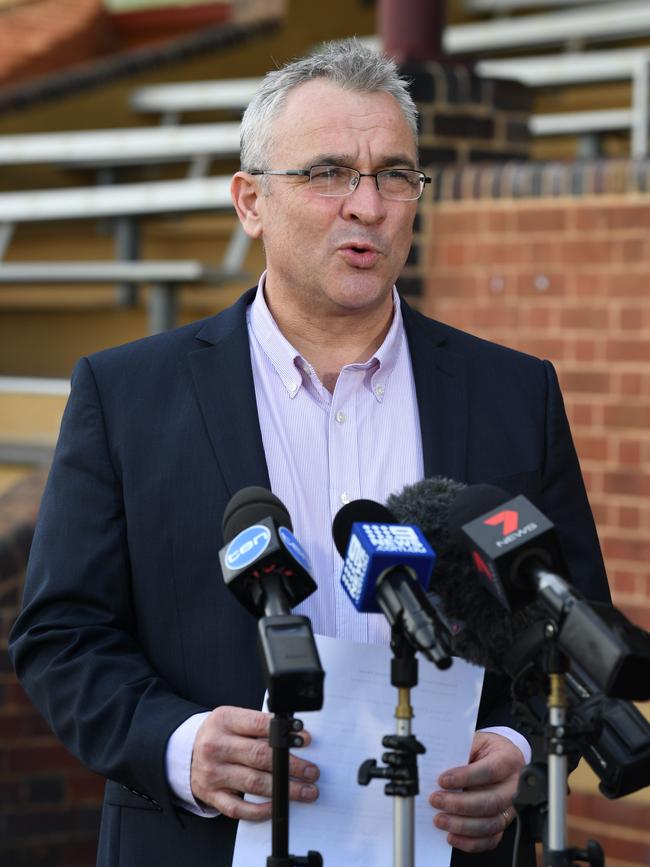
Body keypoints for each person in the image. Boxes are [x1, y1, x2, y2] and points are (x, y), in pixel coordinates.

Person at [9, 39, 610, 867]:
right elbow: (60, 632)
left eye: (395, 174)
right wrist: (180, 744)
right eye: (328, 172)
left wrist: (518, 747)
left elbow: (572, 627)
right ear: (250, 200)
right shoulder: (125, 396)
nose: (367, 204)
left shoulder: (515, 393)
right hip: (197, 845)